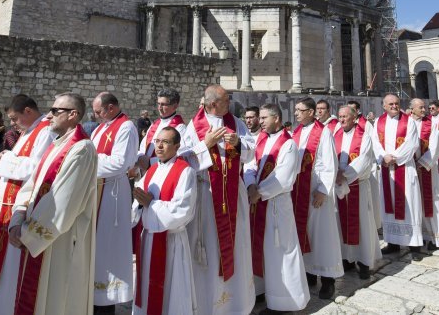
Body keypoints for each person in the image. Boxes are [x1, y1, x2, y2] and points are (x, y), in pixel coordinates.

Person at [7, 92, 98, 315]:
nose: (48, 116)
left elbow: (64, 202)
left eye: (55, 111)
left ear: (73, 115)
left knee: (55, 300)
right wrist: (17, 217)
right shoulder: (56, 145)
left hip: (58, 239)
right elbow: (32, 185)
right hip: (34, 230)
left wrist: (27, 233)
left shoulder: (82, 149)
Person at [181, 84, 256, 315]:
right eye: (225, 100)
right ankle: (207, 305)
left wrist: (239, 143)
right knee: (210, 250)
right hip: (206, 195)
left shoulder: (236, 123)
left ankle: (236, 303)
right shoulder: (193, 127)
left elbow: (252, 152)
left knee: (236, 245)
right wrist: (206, 144)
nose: (229, 104)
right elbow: (184, 160)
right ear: (213, 103)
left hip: (233, 194)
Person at [0, 94, 54, 315]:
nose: (12, 124)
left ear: (28, 111)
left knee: (12, 267)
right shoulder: (29, 131)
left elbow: (38, 168)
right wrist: (9, 156)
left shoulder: (45, 131)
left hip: (20, 205)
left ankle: (9, 306)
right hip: (7, 203)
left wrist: (7, 159)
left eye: (14, 118)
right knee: (2, 264)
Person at [245, 104, 309, 313]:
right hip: (258, 202)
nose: (260, 121)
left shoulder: (288, 144)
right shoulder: (261, 139)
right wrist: (250, 185)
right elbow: (250, 165)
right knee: (261, 248)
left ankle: (285, 301)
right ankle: (262, 291)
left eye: (264, 118)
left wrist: (259, 192)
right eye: (260, 117)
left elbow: (283, 177)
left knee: (280, 251)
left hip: (276, 204)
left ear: (277, 119)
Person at [131, 126, 197, 315]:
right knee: (146, 287)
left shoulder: (185, 172)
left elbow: (183, 210)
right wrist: (139, 203)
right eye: (157, 141)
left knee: (172, 291)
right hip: (148, 239)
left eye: (166, 142)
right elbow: (139, 203)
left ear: (177, 147)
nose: (159, 146)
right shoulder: (152, 169)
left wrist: (151, 204)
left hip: (171, 241)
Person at [90, 91, 138, 313]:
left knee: (108, 248)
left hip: (112, 194)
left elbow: (120, 163)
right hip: (96, 192)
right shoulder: (101, 128)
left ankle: (107, 300)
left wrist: (88, 161)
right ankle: (92, 297)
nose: (96, 115)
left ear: (110, 108)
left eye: (98, 111)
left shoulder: (126, 127)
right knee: (95, 248)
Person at [291, 97, 341, 300]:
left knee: (322, 235)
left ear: (311, 112)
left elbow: (330, 162)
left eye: (299, 110)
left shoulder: (324, 132)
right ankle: (309, 272)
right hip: (299, 190)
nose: (296, 113)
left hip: (317, 189)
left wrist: (323, 189)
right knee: (305, 232)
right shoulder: (296, 132)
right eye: (295, 109)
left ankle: (328, 279)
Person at [371, 94, 423, 254]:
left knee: (410, 205)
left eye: (397, 103)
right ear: (384, 106)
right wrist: (383, 156)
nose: (394, 106)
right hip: (387, 170)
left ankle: (414, 245)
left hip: (404, 168)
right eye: (391, 104)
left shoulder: (409, 121)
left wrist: (394, 157)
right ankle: (393, 243)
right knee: (389, 206)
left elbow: (412, 143)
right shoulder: (378, 122)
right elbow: (375, 142)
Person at [334, 104, 382, 274]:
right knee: (341, 223)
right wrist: (335, 173)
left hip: (357, 186)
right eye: (340, 116)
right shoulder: (335, 135)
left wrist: (344, 174)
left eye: (345, 116)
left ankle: (364, 261)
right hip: (340, 187)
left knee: (362, 223)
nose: (341, 120)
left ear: (354, 118)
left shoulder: (364, 136)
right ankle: (347, 258)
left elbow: (364, 160)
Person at [409, 98, 439, 251]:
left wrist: (421, 164)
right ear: (412, 109)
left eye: (425, 107)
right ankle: (417, 237)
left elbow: (435, 148)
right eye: (421, 107)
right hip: (409, 170)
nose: (424, 110)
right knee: (414, 203)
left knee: (431, 202)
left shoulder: (431, 124)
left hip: (426, 169)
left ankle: (434, 237)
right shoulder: (405, 123)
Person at [134, 88, 188, 176]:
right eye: (158, 103)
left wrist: (150, 162)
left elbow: (180, 154)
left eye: (163, 104)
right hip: (144, 172)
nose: (159, 108)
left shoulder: (180, 128)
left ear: (175, 106)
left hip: (162, 173)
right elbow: (143, 146)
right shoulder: (155, 124)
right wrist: (140, 157)